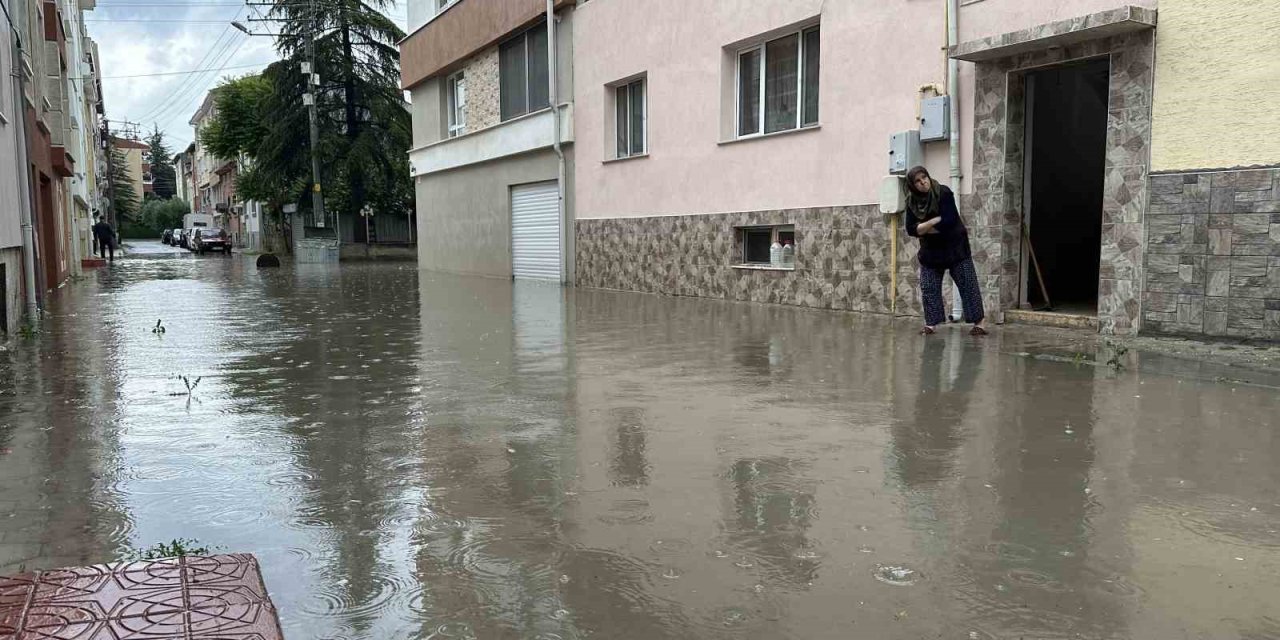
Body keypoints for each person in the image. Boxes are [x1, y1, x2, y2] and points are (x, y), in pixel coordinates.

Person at [903, 166, 987, 336]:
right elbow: (910, 229)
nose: (923, 183)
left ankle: (980, 323)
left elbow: (948, 221)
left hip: (955, 246)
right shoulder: (911, 202)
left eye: (924, 177)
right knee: (928, 287)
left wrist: (923, 228)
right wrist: (932, 222)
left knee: (968, 284)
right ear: (913, 185)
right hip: (931, 251)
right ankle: (931, 324)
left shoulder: (943, 192)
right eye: (918, 181)